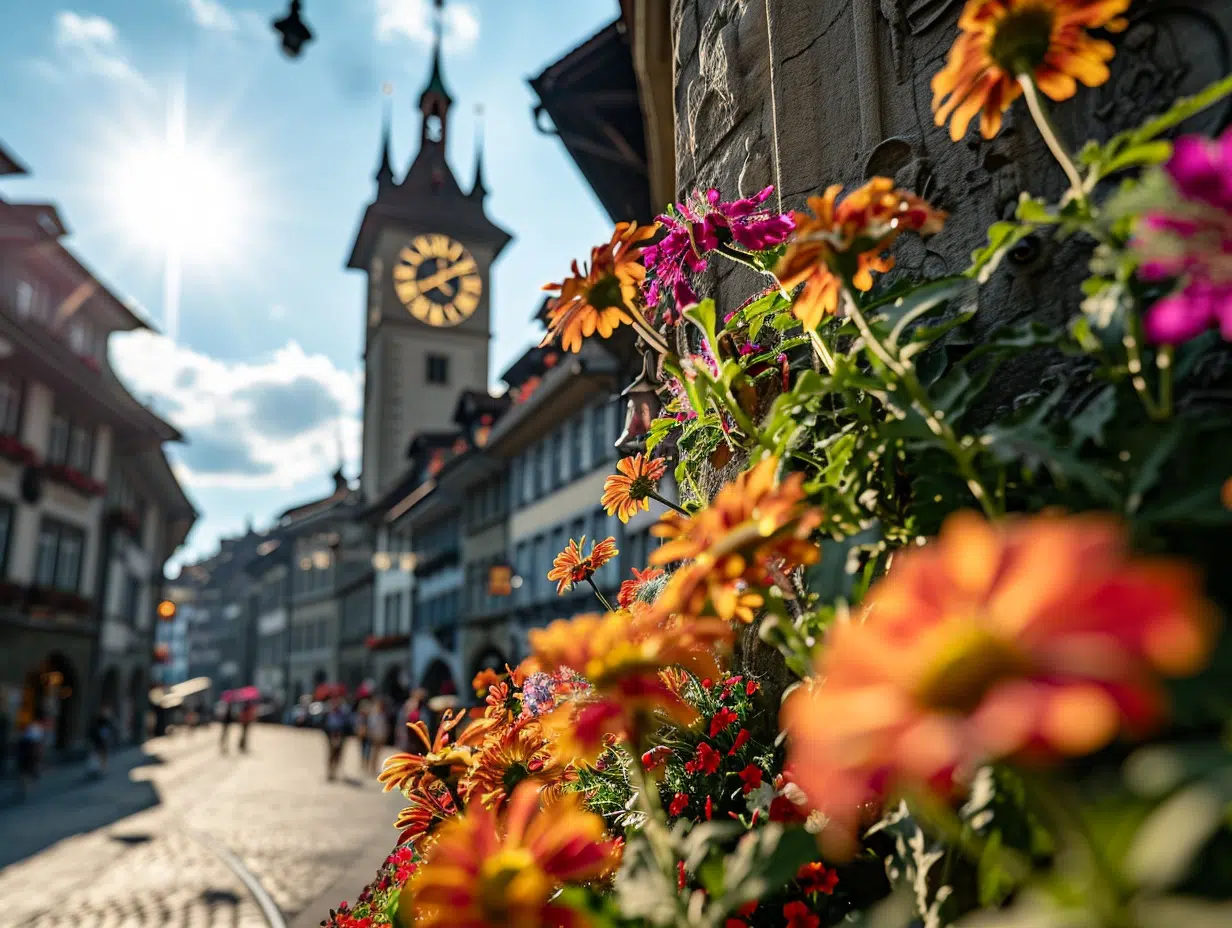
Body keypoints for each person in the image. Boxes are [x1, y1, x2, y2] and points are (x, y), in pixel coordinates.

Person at [16, 713, 45, 799]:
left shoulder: (31, 726)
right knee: (29, 770)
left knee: (24, 770)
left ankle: (24, 786)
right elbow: (36, 744)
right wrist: (38, 754)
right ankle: (26, 786)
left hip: (25, 751)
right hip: (30, 751)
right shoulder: (37, 728)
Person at [323, 697, 350, 781]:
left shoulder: (343, 715)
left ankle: (334, 771)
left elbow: (346, 726)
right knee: (331, 755)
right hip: (331, 736)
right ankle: (330, 772)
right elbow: (325, 726)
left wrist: (341, 735)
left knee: (338, 755)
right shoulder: (329, 714)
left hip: (340, 736)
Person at [364, 697, 389, 776]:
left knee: (377, 754)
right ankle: (369, 768)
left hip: (380, 736)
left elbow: (384, 727)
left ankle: (374, 768)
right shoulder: (373, 715)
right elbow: (370, 726)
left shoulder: (383, 715)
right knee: (372, 753)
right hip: (374, 737)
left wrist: (384, 735)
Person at [87, 707, 113, 777]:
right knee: (100, 755)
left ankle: (101, 769)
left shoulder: (104, 722)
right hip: (100, 742)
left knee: (101, 755)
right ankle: (100, 769)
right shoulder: (102, 723)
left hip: (99, 742)